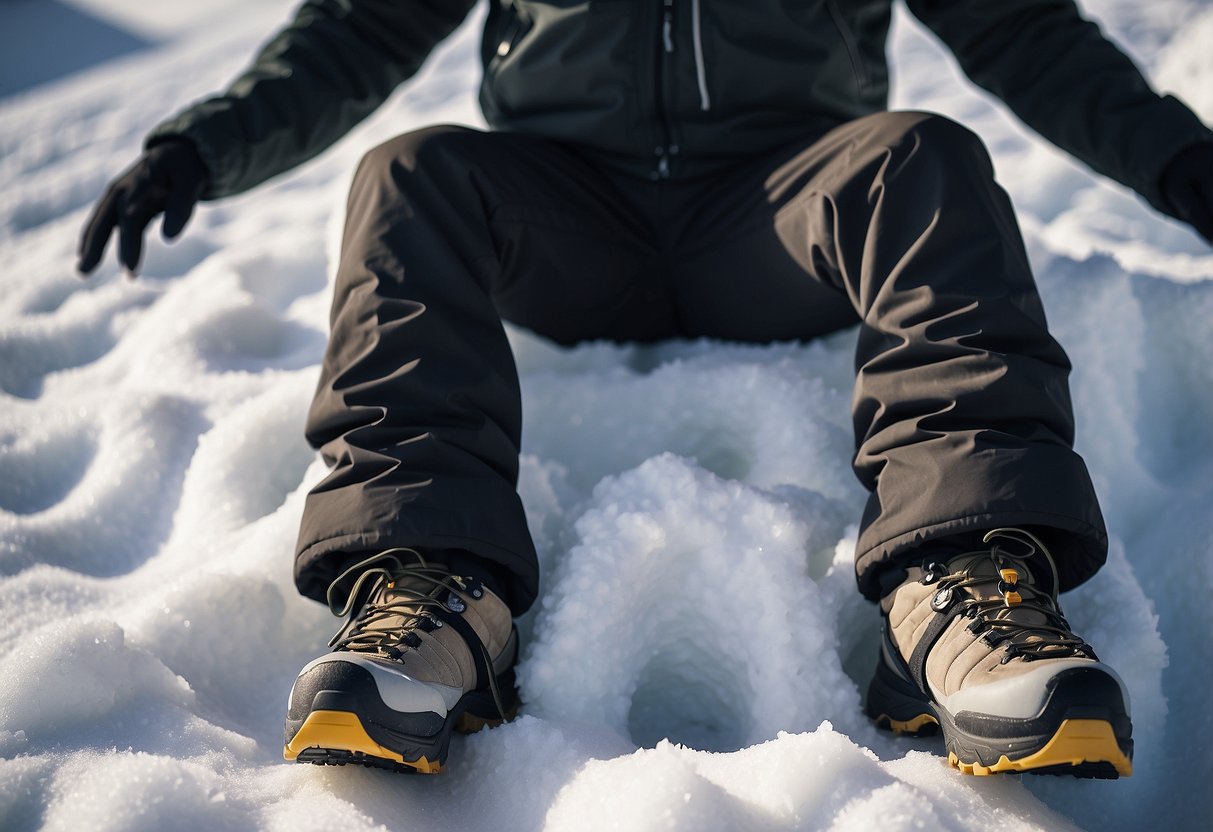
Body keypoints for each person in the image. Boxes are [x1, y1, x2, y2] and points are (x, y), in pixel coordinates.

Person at [78, 0, 1213, 779]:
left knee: (922, 155)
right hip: (570, 221)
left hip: (779, 213)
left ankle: (956, 588)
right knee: (411, 173)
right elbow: (362, 25)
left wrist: (1177, 159)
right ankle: (427, 594)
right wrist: (202, 147)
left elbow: (1020, 28)